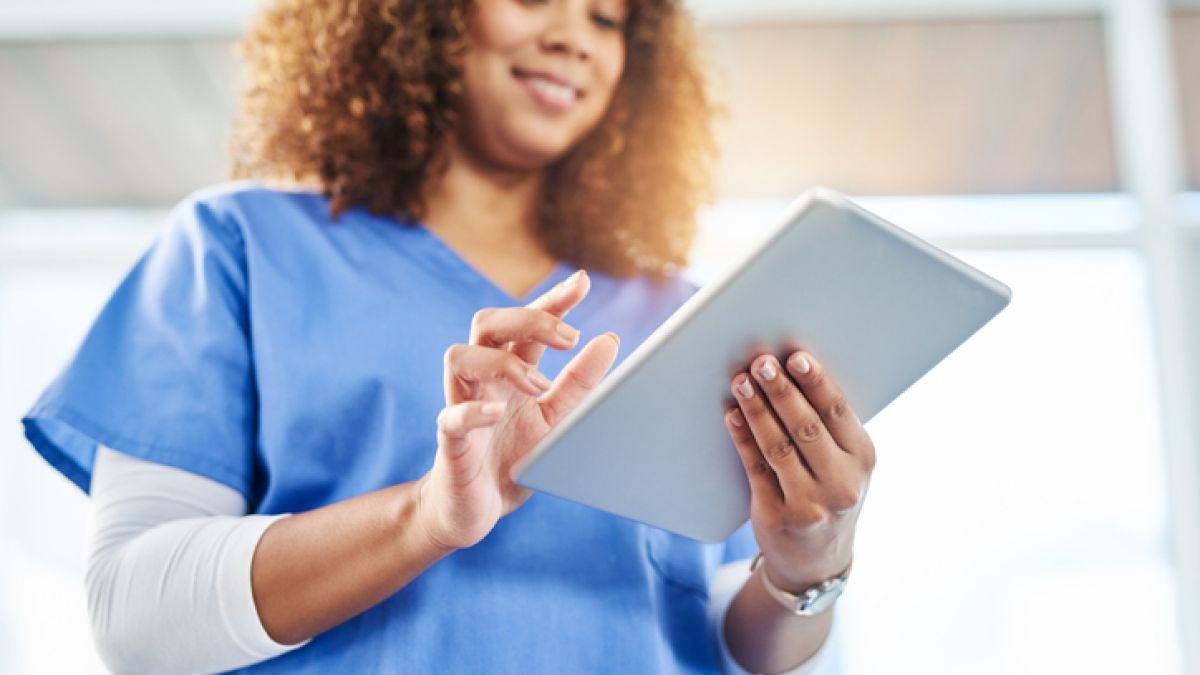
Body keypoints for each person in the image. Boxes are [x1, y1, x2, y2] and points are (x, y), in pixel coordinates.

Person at [21, 0, 876, 673]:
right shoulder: (239, 248)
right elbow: (135, 615)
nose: (575, 38)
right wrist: (425, 516)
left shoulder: (689, 318)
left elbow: (728, 633)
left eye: (607, 19)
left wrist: (808, 564)